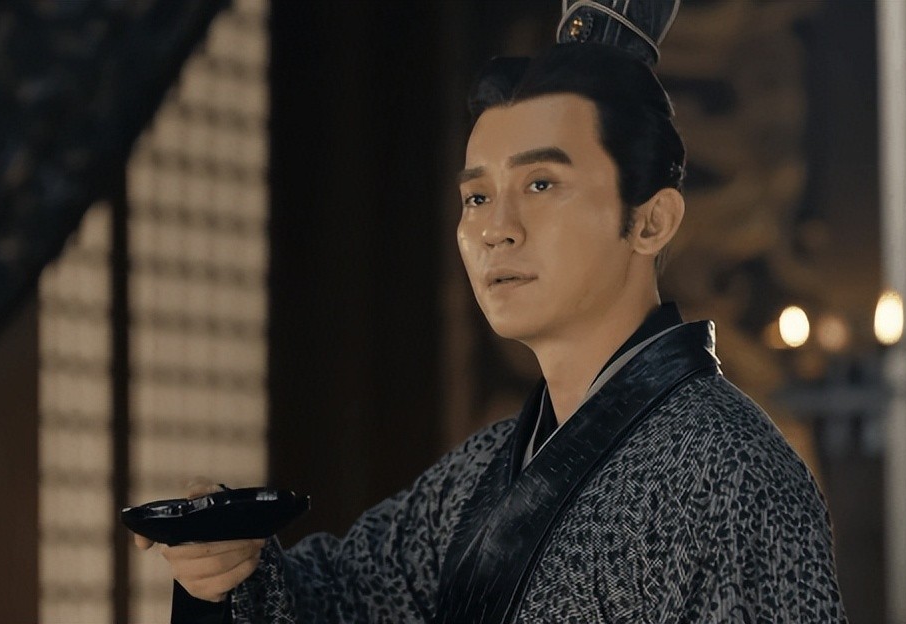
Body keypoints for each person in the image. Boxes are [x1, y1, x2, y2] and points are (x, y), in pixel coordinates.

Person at [135, 8, 847, 624]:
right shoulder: (479, 473)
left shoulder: (733, 467)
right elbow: (336, 600)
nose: (495, 229)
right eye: (477, 197)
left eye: (541, 184)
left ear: (650, 221)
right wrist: (228, 563)